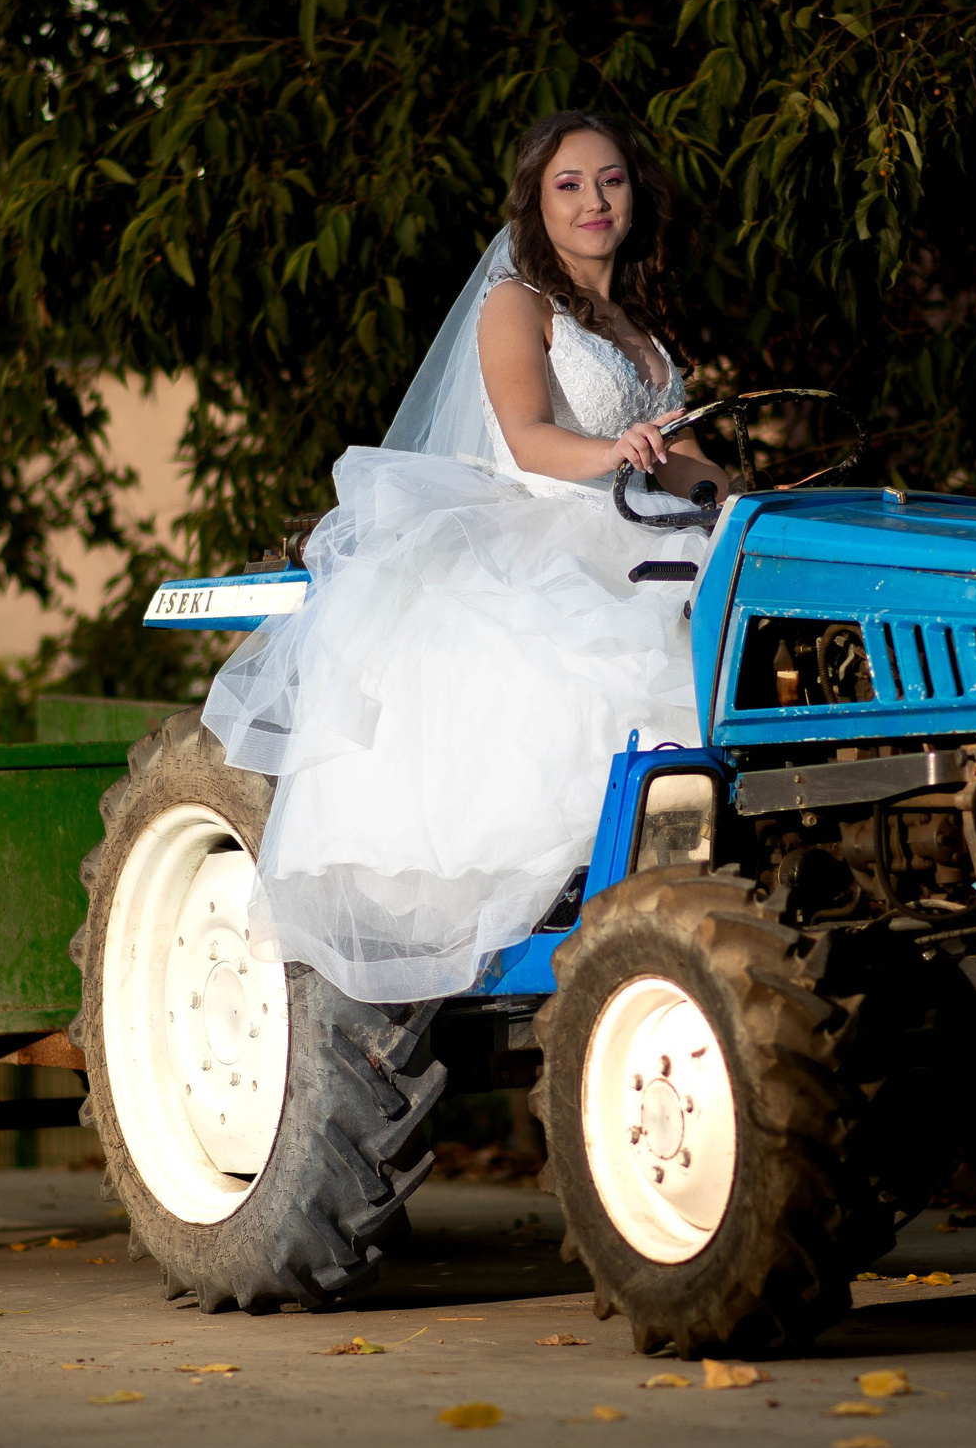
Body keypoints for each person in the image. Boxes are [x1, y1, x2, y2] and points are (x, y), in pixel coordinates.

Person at [201, 111, 728, 1004]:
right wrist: (615, 454)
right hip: (542, 518)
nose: (595, 200)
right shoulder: (517, 303)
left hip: (640, 519)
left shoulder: (635, 321)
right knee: (600, 666)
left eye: (612, 180)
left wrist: (724, 486)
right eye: (569, 184)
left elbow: (670, 452)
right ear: (536, 202)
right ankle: (576, 887)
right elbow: (529, 440)